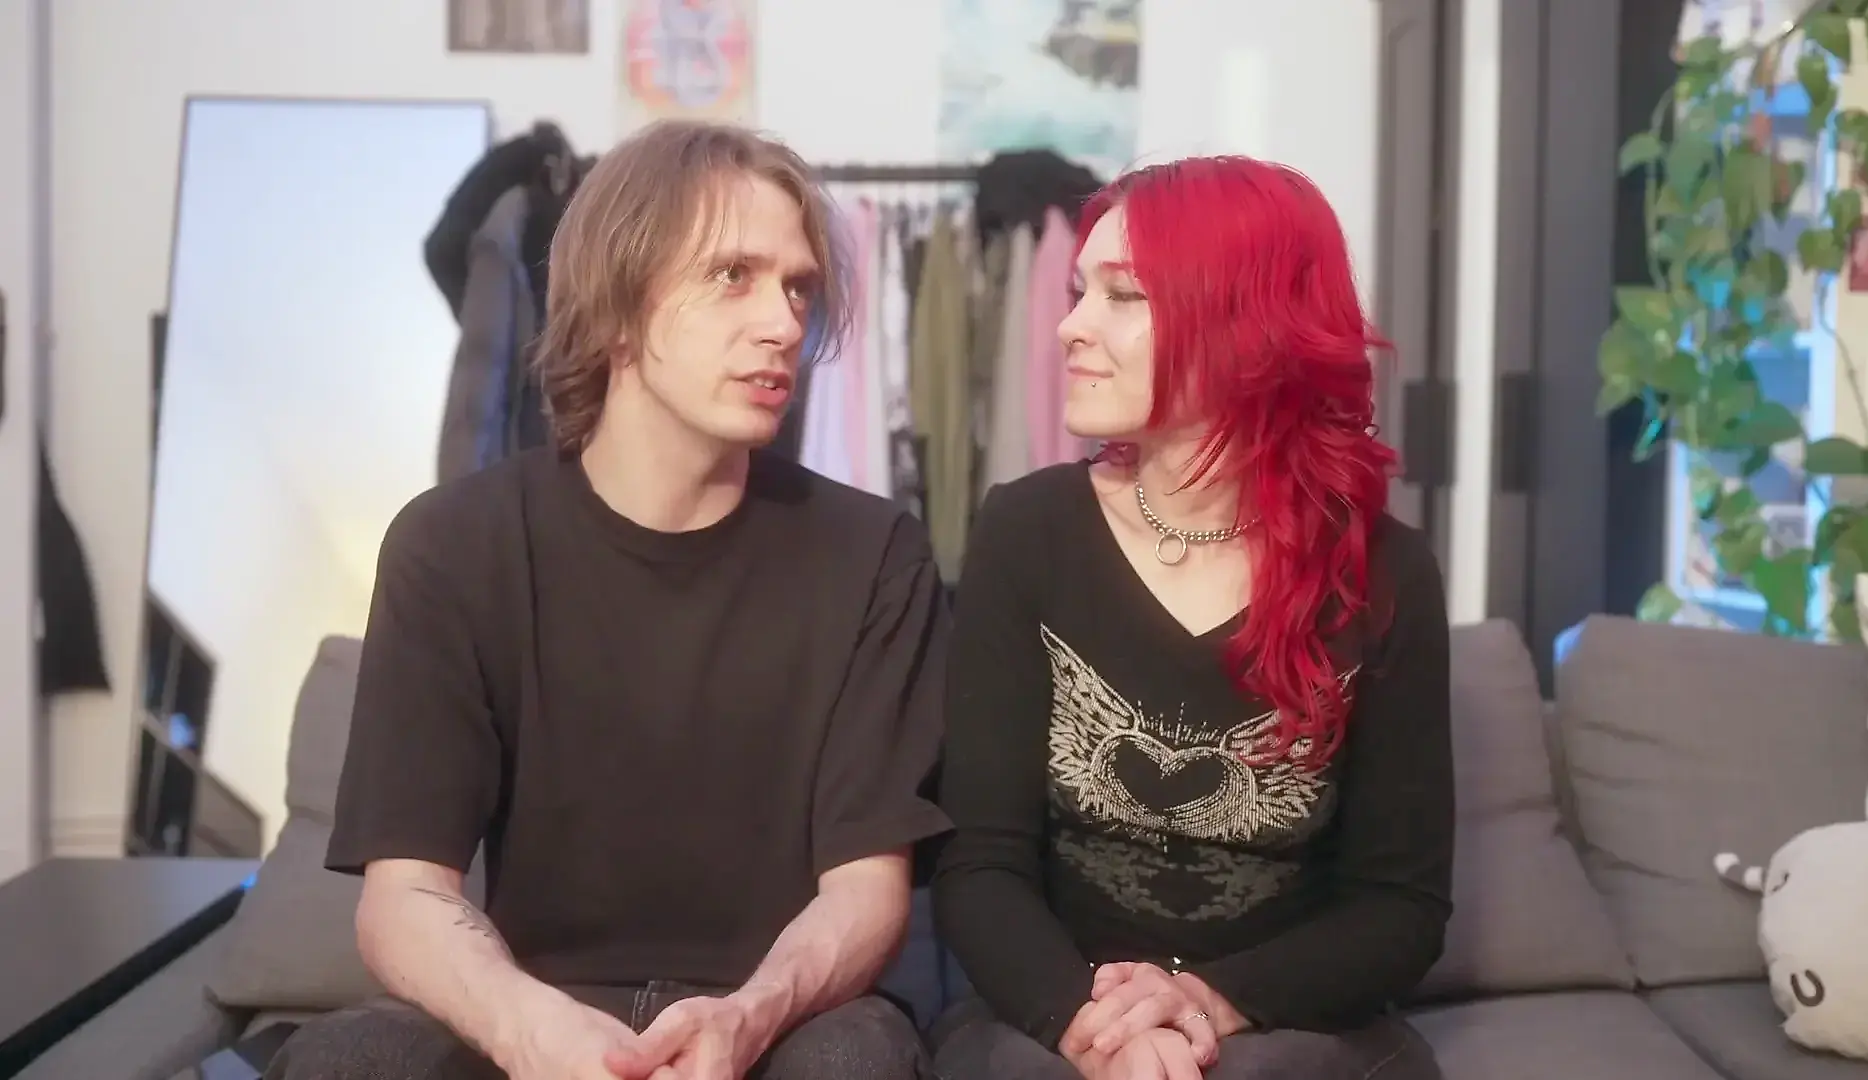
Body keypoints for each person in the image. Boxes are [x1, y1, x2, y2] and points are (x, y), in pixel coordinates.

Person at [268, 120, 951, 1080]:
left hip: (779, 1020)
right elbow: (404, 897)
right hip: (536, 1005)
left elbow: (867, 893)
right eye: (733, 276)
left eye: (798, 287)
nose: (783, 323)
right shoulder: (454, 545)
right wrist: (530, 1029)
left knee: (855, 1061)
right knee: (352, 1059)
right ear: (619, 303)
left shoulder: (875, 555)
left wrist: (747, 1018)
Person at [929, 156, 1454, 1080]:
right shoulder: (1027, 531)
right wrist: (1096, 1031)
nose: (1069, 327)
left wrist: (1204, 1003)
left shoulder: (1383, 572)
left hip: (1283, 1027)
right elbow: (979, 867)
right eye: (1079, 292)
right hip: (1053, 1014)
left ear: (1247, 328)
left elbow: (1399, 909)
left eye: (1123, 296)